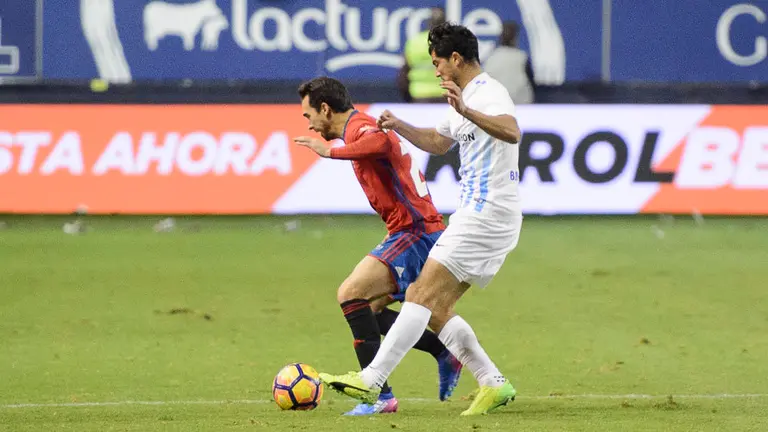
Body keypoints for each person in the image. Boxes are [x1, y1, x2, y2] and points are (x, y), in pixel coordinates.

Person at [318, 22, 523, 417]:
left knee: (418, 297)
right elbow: (438, 141)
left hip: (486, 213)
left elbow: (512, 132)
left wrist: (468, 111)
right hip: (482, 213)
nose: (435, 71)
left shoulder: (488, 93)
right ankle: (494, 382)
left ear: (457, 59)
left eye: (437, 63)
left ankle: (373, 380)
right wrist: (401, 126)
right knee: (438, 306)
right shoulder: (463, 98)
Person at [293, 77, 463, 416]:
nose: (309, 123)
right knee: (368, 310)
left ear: (326, 109)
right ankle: (442, 351)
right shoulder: (357, 127)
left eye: (309, 114)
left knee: (350, 293)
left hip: (415, 231)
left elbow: (381, 144)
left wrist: (331, 152)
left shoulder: (361, 128)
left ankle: (379, 396)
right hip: (410, 230)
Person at [397, 7, 447, 103]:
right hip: (446, 95)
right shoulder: (452, 42)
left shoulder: (414, 42)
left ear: (429, 22)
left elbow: (403, 75)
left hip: (419, 95)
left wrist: (407, 98)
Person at [483, 21, 535, 105]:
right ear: (515, 38)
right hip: (520, 104)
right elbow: (532, 82)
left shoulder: (491, 57)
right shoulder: (521, 57)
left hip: (496, 104)